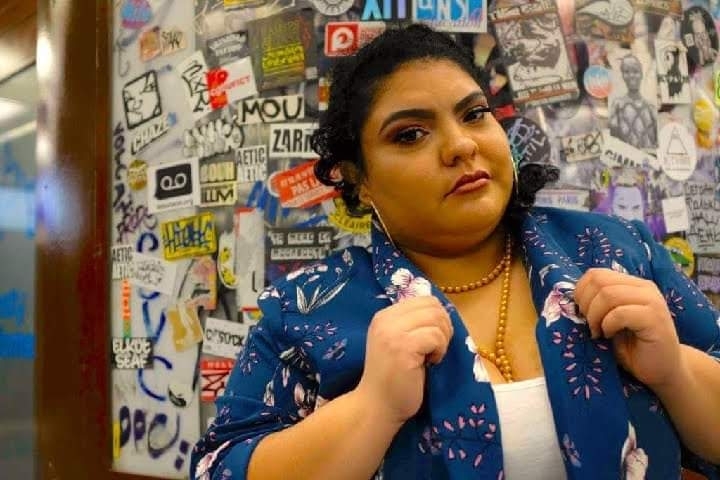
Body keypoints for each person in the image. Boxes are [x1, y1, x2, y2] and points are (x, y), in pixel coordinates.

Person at [190, 24, 720, 480]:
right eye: (410, 134)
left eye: (474, 114)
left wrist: (675, 371)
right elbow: (222, 466)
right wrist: (372, 409)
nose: (462, 144)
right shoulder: (305, 310)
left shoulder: (616, 252)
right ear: (359, 180)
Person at [608, 54, 658, 150]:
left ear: (641, 74)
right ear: (622, 75)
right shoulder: (618, 104)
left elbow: (657, 138)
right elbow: (612, 136)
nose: (631, 76)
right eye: (626, 72)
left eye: (635, 71)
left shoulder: (651, 107)